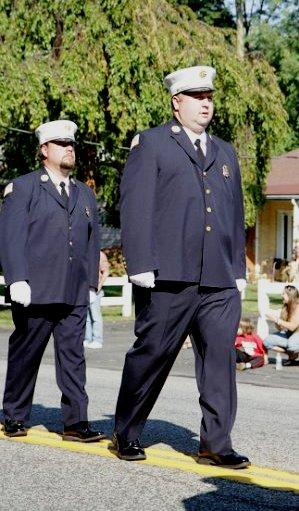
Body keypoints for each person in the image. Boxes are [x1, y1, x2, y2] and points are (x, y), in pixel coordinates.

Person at [112, 65, 250, 469]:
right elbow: (135, 205)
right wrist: (140, 262)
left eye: (209, 97)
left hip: (219, 278)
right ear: (177, 103)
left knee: (220, 360)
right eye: (196, 97)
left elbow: (234, 211)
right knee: (153, 352)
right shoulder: (152, 144)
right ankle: (127, 431)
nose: (205, 103)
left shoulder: (224, 151)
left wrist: (237, 265)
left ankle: (216, 444)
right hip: (169, 274)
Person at [0, 120, 105, 442]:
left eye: (71, 144)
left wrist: (90, 283)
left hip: (73, 291)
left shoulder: (84, 194)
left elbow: (91, 240)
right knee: (26, 354)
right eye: (61, 144)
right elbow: (10, 237)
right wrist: (17, 278)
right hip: (37, 291)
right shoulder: (24, 188)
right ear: (44, 150)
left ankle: (76, 422)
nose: (69, 148)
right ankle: (14, 416)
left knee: (73, 358)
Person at [264, 285, 299, 363]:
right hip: (289, 334)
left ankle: (293, 350)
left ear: (290, 295)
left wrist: (278, 320)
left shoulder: (298, 307)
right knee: (267, 342)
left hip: (297, 333)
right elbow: (281, 328)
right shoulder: (285, 307)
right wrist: (276, 322)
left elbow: (293, 327)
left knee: (292, 345)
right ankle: (292, 353)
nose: (281, 296)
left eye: (283, 294)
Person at [84, 250, 110, 349]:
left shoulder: (100, 254)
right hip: (84, 290)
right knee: (86, 317)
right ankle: (88, 338)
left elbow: (106, 272)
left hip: (95, 290)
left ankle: (97, 339)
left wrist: (98, 286)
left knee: (95, 316)